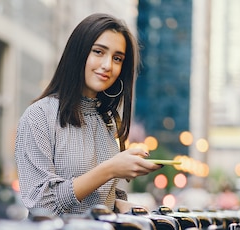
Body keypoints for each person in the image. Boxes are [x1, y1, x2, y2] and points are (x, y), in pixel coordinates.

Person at [14, 13, 162, 217]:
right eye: (99, 52)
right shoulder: (39, 116)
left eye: (117, 58)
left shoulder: (107, 120)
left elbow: (101, 195)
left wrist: (120, 205)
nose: (108, 65)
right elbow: (42, 204)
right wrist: (110, 169)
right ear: (78, 53)